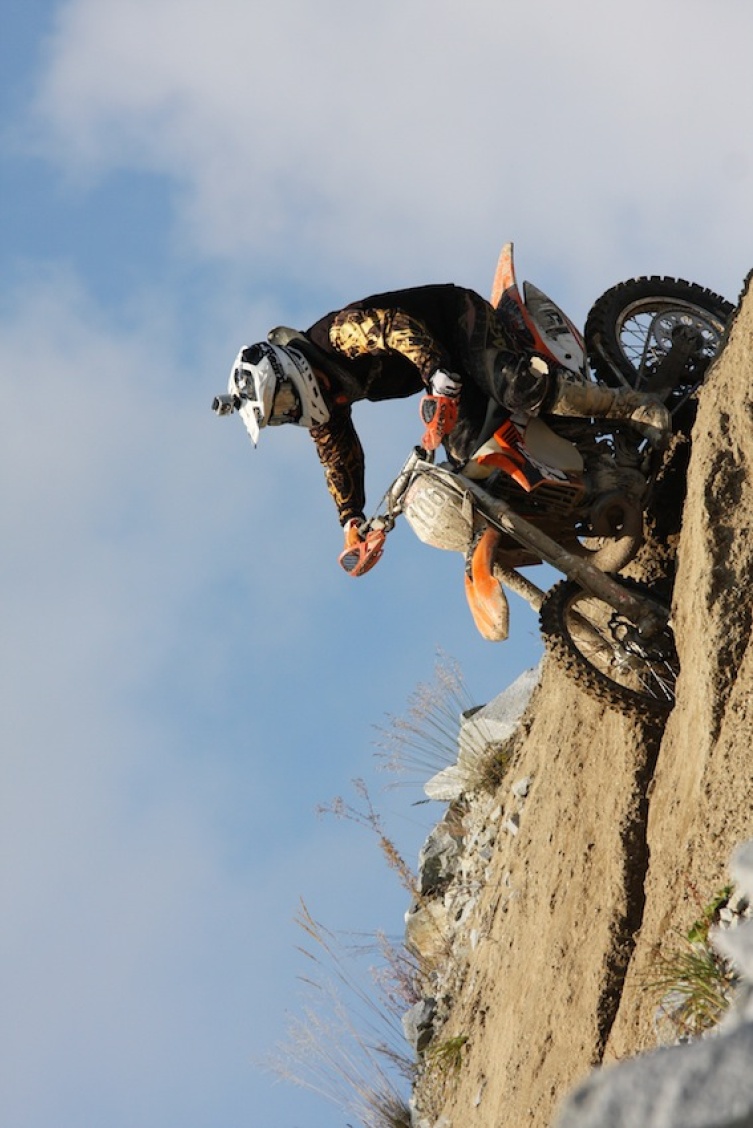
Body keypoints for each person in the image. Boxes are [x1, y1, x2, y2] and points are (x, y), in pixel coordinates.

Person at [213, 284, 669, 640]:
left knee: (514, 385)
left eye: (285, 400)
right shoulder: (326, 403)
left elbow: (394, 327)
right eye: (280, 416)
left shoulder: (336, 335)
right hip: (446, 378)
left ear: (285, 370)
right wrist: (351, 521)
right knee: (477, 468)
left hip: (457, 326)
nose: (291, 411)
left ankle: (633, 405)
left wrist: (434, 372)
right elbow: (339, 457)